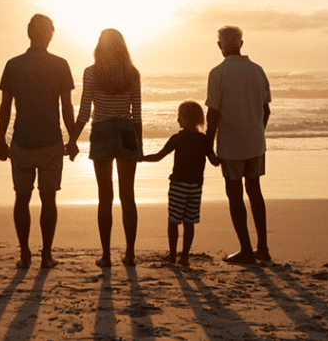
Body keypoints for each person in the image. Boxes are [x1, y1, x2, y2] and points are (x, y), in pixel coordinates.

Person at [0, 14, 76, 269]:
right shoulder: (61, 65)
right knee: (48, 199)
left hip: (21, 141)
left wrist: (1, 140)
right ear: (50, 34)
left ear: (28, 33)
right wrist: (72, 138)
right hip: (51, 142)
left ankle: (24, 253)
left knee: (22, 198)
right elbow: (67, 108)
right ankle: (47, 255)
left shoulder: (13, 65)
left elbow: (5, 107)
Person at [68, 28, 142, 267]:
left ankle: (107, 255)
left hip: (101, 132)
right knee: (128, 196)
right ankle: (130, 254)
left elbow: (84, 112)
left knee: (105, 196)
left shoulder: (91, 72)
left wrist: (71, 140)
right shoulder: (133, 73)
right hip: (126, 131)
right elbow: (137, 114)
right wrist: (138, 145)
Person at [206, 26, 272, 265]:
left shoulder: (218, 73)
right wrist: (257, 132)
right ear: (241, 44)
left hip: (231, 145)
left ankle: (246, 249)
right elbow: (266, 110)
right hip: (255, 143)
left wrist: (208, 146)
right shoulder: (257, 71)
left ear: (220, 46)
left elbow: (212, 115)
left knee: (235, 195)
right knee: (255, 191)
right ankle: (262, 246)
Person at [140, 100, 218, 266]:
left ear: (184, 119)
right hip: (196, 186)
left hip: (178, 185)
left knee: (173, 221)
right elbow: (214, 161)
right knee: (189, 222)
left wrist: (139, 159)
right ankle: (185, 257)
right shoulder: (203, 140)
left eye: (179, 116)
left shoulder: (177, 138)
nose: (177, 120)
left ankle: (172, 255)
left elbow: (158, 157)